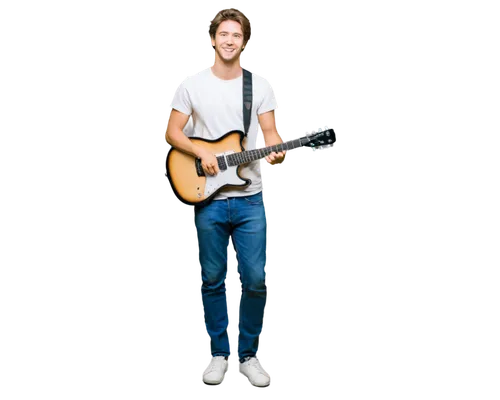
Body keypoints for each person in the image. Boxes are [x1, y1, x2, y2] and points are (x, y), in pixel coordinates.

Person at [164, 6, 286, 389]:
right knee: (213, 278)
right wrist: (201, 153)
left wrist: (278, 151)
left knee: (254, 278)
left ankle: (248, 355)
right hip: (209, 197)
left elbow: (272, 135)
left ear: (244, 44)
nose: (230, 40)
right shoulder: (192, 85)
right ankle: (218, 353)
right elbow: (172, 132)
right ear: (212, 40)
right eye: (224, 34)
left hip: (250, 198)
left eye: (237, 36)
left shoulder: (260, 86)